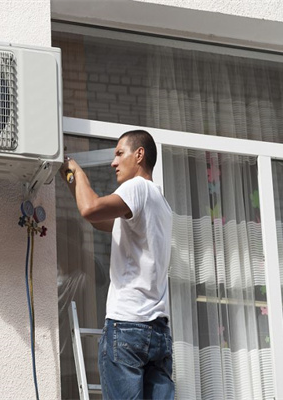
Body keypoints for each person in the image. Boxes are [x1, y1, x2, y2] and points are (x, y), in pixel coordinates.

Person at [59, 130, 174, 400]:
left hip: (128, 327)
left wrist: (76, 169)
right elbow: (98, 220)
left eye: (119, 153)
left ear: (140, 154)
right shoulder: (161, 204)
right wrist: (70, 180)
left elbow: (91, 209)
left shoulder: (137, 187)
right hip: (158, 333)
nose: (113, 163)